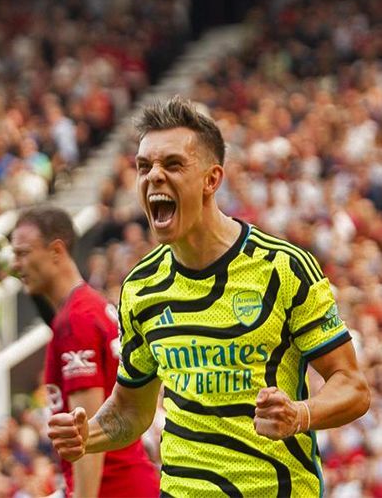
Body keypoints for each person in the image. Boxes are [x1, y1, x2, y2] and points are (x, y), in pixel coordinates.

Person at [48, 97, 370, 496]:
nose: (154, 177)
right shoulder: (141, 287)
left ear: (211, 179)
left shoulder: (282, 269)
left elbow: (353, 387)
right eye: (144, 167)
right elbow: (132, 410)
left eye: (173, 164)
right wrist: (88, 433)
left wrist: (300, 415)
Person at [11, 205, 159, 497]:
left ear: (56, 251)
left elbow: (87, 434)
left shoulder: (75, 321)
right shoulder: (91, 306)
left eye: (23, 253)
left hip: (114, 487)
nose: (15, 265)